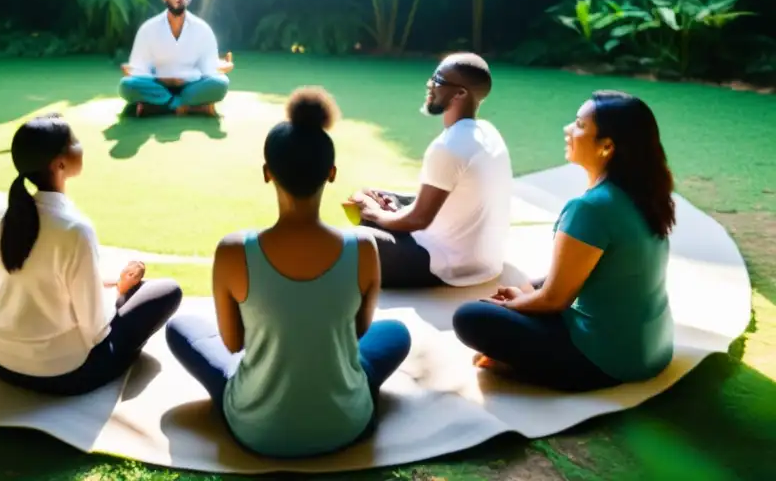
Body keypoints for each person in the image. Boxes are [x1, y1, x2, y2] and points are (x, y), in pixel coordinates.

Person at [165, 88, 411, 459]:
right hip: (348, 423)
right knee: (395, 333)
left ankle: (261, 397)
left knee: (181, 329)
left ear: (267, 173)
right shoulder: (363, 248)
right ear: (331, 174)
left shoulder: (233, 251)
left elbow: (233, 344)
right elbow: (357, 332)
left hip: (256, 430)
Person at [451, 91, 676, 392]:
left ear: (607, 147)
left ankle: (526, 366)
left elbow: (555, 300)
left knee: (470, 316)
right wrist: (526, 291)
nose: (568, 129)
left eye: (580, 125)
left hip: (607, 361)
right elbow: (580, 275)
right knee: (525, 289)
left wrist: (515, 306)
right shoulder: (642, 194)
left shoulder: (591, 208)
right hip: (652, 349)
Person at [0, 113, 182, 395]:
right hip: (61, 373)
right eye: (74, 141)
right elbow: (96, 329)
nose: (81, 146)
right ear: (60, 163)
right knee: (167, 291)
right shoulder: (75, 230)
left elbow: (4, 285)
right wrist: (120, 293)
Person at [350, 52, 513, 289]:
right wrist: (394, 206)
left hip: (447, 265)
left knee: (349, 241)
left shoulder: (448, 147)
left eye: (438, 79)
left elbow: (418, 219)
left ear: (460, 93)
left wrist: (375, 213)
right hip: (483, 260)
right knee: (375, 195)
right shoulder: (487, 132)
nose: (430, 84)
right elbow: (449, 201)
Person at [119, 0, 234, 117]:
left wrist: (223, 66)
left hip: (191, 86)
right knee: (127, 85)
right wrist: (162, 79)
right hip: (158, 85)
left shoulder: (203, 29)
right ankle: (189, 106)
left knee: (220, 83)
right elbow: (139, 68)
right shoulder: (148, 29)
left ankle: (161, 106)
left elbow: (209, 67)